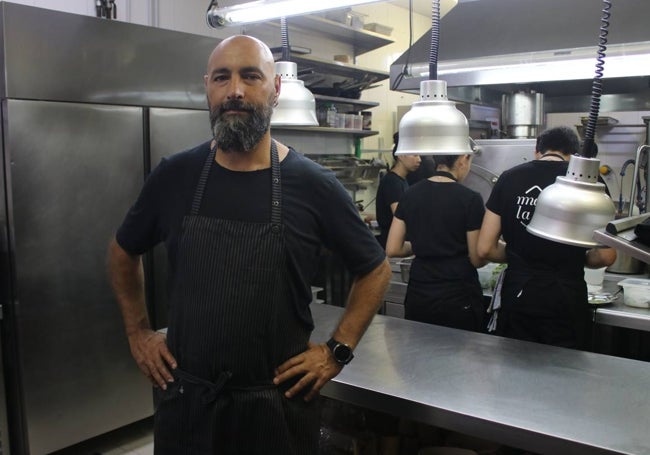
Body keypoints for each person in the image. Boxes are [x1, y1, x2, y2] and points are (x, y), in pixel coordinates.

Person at [107, 35, 391, 454]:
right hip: (189, 408)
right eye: (222, 77)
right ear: (208, 87)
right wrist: (137, 333)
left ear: (275, 89)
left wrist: (336, 351)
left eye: (250, 76)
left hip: (275, 411)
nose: (235, 90)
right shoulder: (175, 176)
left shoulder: (314, 185)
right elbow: (122, 252)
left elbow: (376, 269)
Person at [477, 126, 616, 349]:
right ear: (574, 155)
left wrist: (517, 254)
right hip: (567, 296)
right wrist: (575, 258)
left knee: (514, 368)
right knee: (564, 372)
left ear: (537, 151)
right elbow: (606, 256)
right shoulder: (590, 184)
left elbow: (484, 248)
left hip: (520, 292)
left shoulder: (509, 178)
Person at [386, 153, 487, 331]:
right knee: (461, 354)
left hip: (419, 292)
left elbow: (393, 248)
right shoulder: (470, 198)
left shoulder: (410, 194)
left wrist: (421, 245)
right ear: (463, 159)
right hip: (458, 295)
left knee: (420, 350)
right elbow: (477, 258)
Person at [374, 132, 421, 248]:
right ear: (400, 155)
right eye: (414, 155)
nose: (419, 159)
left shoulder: (401, 180)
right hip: (390, 245)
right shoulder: (392, 182)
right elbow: (401, 216)